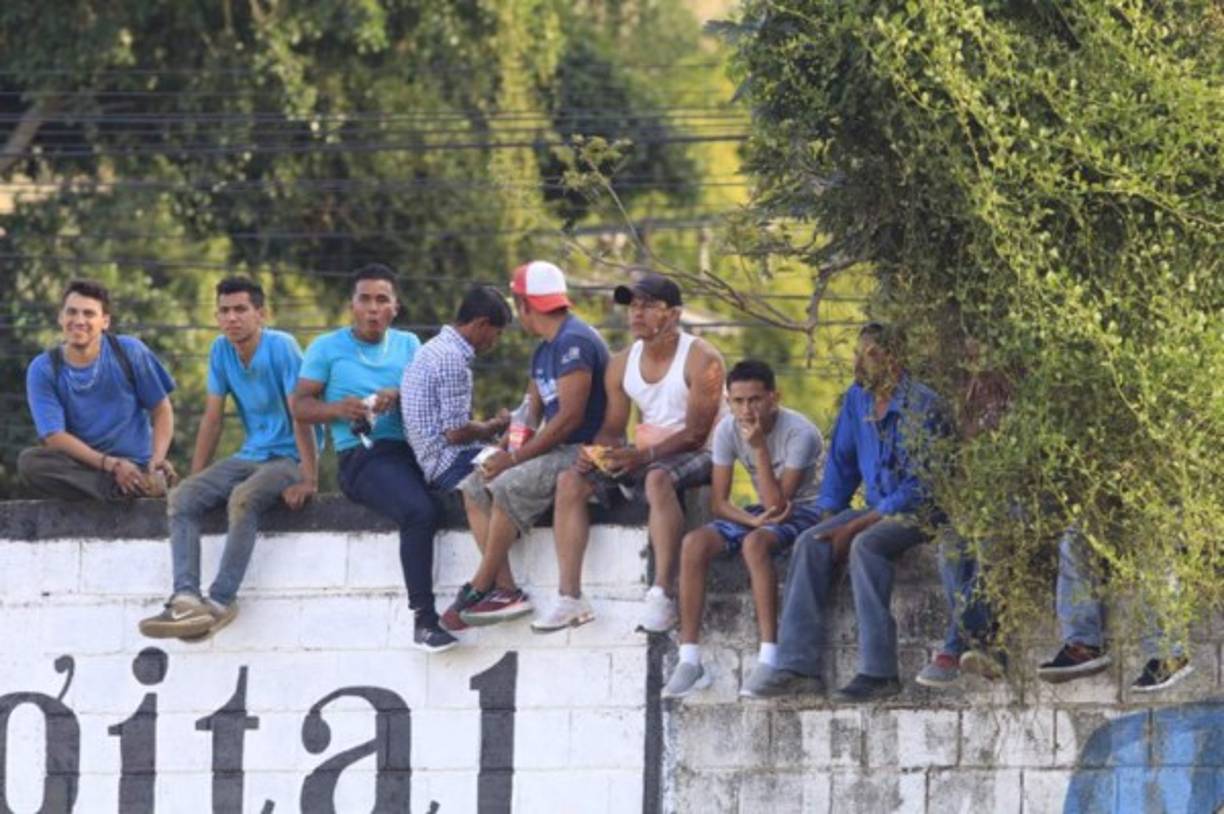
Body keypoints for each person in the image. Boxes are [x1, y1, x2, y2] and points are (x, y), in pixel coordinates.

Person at [747, 322, 953, 702]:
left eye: (871, 355)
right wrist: (832, 518)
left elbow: (920, 489)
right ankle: (798, 667)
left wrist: (855, 526)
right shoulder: (857, 400)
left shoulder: (924, 405)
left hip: (922, 511)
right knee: (811, 541)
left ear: (894, 359)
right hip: (876, 506)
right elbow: (841, 464)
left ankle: (879, 672)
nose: (860, 362)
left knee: (866, 546)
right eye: (858, 353)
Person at [535, 273, 725, 634]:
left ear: (674, 314)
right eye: (633, 306)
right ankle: (570, 597)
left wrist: (643, 456)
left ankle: (662, 594)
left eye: (649, 306)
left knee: (657, 478)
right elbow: (612, 427)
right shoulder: (622, 362)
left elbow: (697, 433)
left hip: (704, 450)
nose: (637, 313)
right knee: (570, 481)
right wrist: (598, 454)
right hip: (649, 450)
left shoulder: (702, 358)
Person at [138, 277, 319, 640]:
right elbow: (212, 419)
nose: (232, 318)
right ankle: (187, 598)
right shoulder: (221, 351)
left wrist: (309, 478)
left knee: (243, 499)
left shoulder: (281, 347)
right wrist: (195, 478)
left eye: (241, 309)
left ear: (261, 314)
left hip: (288, 457)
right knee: (183, 498)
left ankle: (220, 602)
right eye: (224, 311)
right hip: (250, 454)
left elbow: (301, 414)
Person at [291, 263, 455, 652]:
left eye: (382, 300)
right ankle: (425, 620)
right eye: (364, 299)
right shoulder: (326, 348)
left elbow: (429, 394)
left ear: (395, 308)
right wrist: (338, 410)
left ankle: (487, 595)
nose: (372, 308)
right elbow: (299, 406)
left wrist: (396, 395)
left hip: (416, 449)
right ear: (352, 305)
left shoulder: (409, 345)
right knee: (419, 512)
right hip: (363, 456)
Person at [443, 260, 609, 630]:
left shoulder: (574, 342)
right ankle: (506, 590)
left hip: (581, 449)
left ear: (524, 304)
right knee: (473, 486)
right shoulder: (543, 351)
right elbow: (529, 414)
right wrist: (501, 450)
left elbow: (568, 419)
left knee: (506, 485)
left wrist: (514, 460)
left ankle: (479, 585)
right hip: (554, 448)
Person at [660, 359, 825, 698]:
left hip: (807, 509)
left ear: (773, 398)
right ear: (728, 401)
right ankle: (690, 660)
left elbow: (781, 505)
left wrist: (760, 447)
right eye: (737, 401)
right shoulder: (726, 429)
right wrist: (750, 520)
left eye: (755, 400)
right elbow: (719, 503)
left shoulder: (800, 433)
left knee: (755, 544)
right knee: (694, 542)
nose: (746, 410)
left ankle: (769, 657)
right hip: (761, 512)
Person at [20, 279, 177, 501]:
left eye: (89, 314)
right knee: (31, 463)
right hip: (84, 468)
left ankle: (138, 484)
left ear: (105, 321)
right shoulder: (43, 368)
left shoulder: (129, 351)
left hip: (135, 465)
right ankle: (124, 491)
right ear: (60, 317)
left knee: (141, 475)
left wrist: (157, 461)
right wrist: (111, 465)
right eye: (72, 312)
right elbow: (54, 437)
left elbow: (162, 408)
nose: (79, 321)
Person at [401, 285, 513, 492]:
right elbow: (456, 432)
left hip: (435, 461)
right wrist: (494, 425)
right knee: (522, 468)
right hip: (450, 465)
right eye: (496, 334)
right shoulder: (453, 359)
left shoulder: (434, 347)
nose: (494, 342)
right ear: (482, 324)